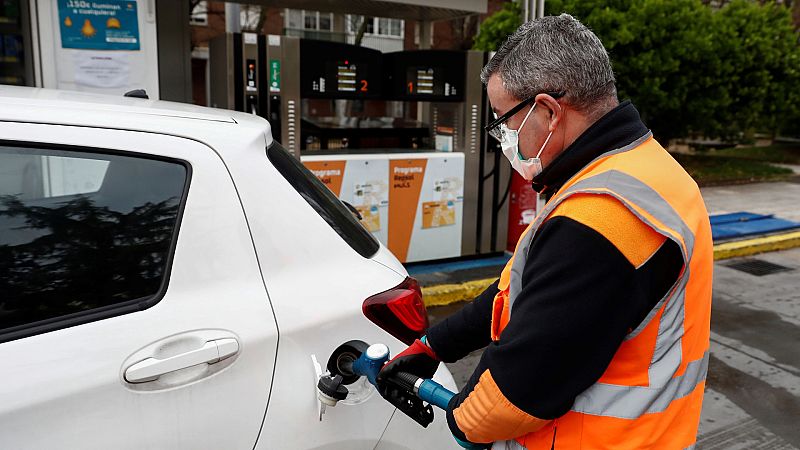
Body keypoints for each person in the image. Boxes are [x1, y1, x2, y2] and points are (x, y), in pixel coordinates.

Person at [377, 14, 713, 450]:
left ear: (550, 112)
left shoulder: (601, 220)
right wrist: (435, 345)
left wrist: (464, 420)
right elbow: (518, 288)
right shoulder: (642, 169)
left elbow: (518, 394)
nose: (503, 136)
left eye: (504, 119)